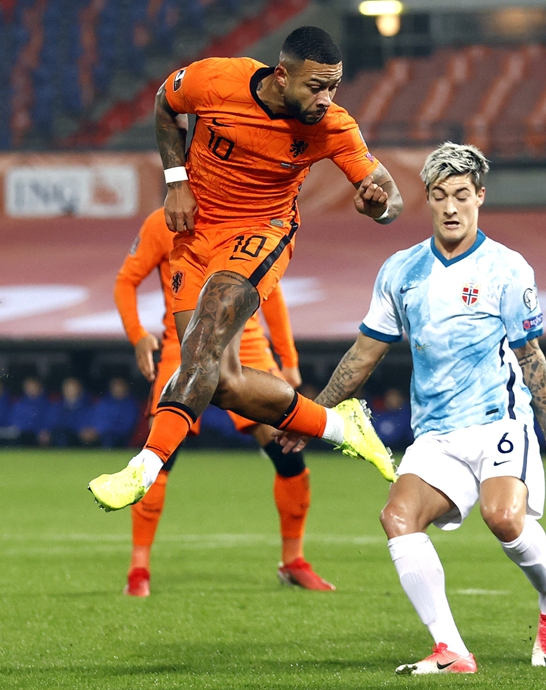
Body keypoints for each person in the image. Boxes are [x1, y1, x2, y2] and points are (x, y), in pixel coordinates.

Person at [280, 143, 546, 673]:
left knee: (504, 518)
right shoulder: (401, 270)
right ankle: (451, 649)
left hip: (499, 422)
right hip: (435, 433)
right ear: (429, 199)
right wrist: (313, 415)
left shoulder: (507, 268)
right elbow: (363, 354)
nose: (451, 207)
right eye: (440, 196)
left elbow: (531, 358)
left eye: (461, 194)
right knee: (397, 517)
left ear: (480, 196)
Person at [88, 26, 403, 512]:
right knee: (221, 382)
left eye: (333, 87)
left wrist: (379, 207)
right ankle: (342, 426)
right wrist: (176, 181)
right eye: (316, 87)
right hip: (195, 233)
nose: (326, 99)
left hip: (260, 233)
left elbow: (390, 195)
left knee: (201, 346)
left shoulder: (334, 127)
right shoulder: (216, 81)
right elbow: (164, 104)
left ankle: (142, 469)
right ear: (282, 76)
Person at [113, 207, 335, 596]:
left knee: (288, 452)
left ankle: (293, 561)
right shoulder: (162, 222)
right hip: (183, 346)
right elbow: (125, 281)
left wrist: (289, 359)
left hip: (247, 344)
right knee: (158, 458)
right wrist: (137, 335)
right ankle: (138, 570)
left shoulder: (245, 211)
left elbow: (270, 292)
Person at [6, 377, 55, 447]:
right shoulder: (19, 404)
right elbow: (13, 420)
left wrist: (44, 430)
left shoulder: (46, 404)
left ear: (39, 387)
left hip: (37, 435)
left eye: (33, 387)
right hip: (21, 434)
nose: (31, 389)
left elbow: (49, 421)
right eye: (28, 387)